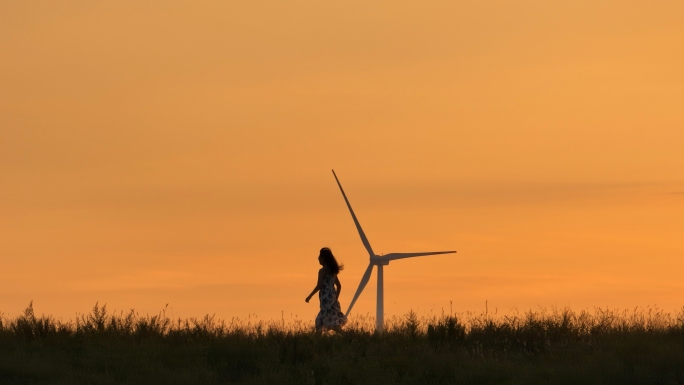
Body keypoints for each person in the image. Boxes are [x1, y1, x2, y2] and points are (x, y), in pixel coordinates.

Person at [305, 247, 347, 333]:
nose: (318, 259)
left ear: (323, 259)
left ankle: (347, 335)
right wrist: (336, 298)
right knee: (323, 321)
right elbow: (339, 286)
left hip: (325, 298)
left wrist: (309, 296)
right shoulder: (332, 271)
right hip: (332, 297)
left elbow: (319, 286)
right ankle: (347, 336)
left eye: (319, 257)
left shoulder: (322, 271)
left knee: (324, 322)